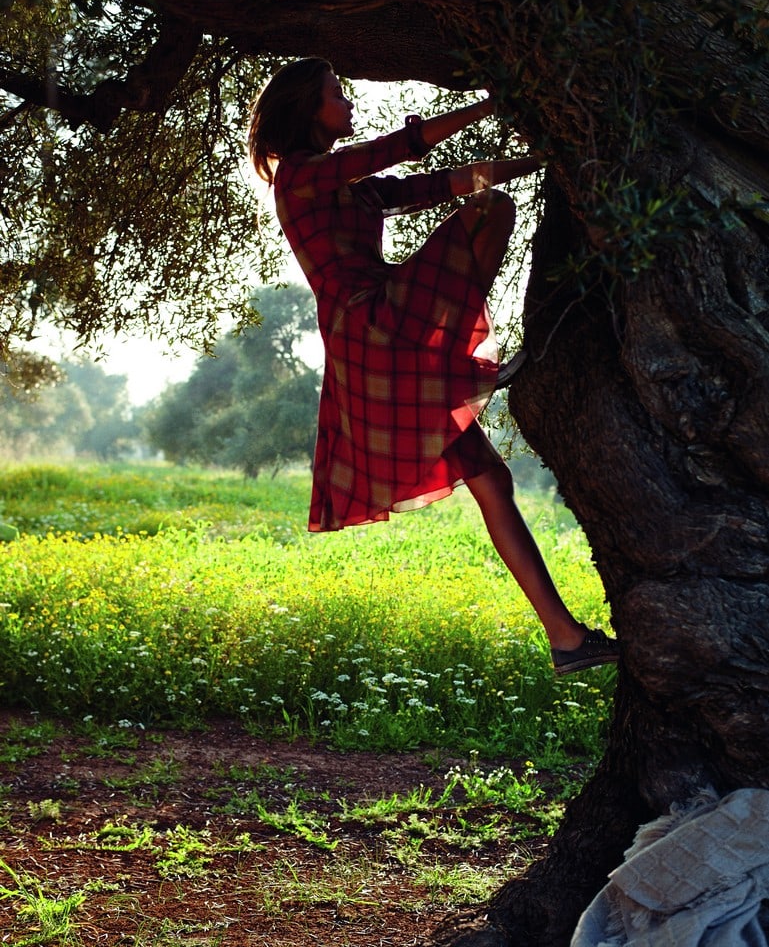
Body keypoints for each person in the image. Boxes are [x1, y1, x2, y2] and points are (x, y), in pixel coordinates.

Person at [247, 58, 618, 677]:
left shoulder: (355, 188)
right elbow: (401, 147)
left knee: (491, 480)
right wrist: (493, 104)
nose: (348, 102)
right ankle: (456, 361)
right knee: (491, 212)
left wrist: (545, 160)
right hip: (370, 329)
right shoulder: (301, 177)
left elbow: (447, 182)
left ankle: (566, 640)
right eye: (337, 94)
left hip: (382, 337)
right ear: (307, 109)